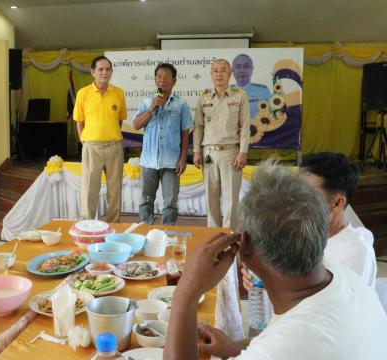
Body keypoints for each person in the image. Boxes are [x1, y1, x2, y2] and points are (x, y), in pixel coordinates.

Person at [164, 161, 387, 360]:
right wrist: (234, 347)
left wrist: (186, 293)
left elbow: (288, 346)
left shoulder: (284, 347)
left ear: (246, 246)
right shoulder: (344, 279)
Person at [300, 152, 377, 287]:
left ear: (336, 203)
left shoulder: (355, 254)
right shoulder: (307, 233)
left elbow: (339, 307)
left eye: (308, 196)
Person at [193, 59, 250, 230]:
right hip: (208, 153)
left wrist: (243, 152)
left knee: (230, 199)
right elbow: (198, 126)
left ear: (230, 73)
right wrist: (196, 151)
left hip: (231, 153)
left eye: (223, 70)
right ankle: (213, 235)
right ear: (211, 74)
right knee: (211, 198)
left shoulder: (239, 96)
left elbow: (245, 125)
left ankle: (230, 236)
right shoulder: (203, 98)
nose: (219, 74)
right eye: (215, 71)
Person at [133, 63, 193, 225]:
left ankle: (167, 233)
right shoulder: (146, 103)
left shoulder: (181, 105)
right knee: (146, 201)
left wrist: (183, 159)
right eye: (159, 77)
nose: (162, 80)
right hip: (148, 162)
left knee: (170, 203)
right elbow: (137, 125)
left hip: (172, 162)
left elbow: (185, 133)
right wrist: (152, 108)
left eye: (167, 77)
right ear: (155, 81)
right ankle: (145, 230)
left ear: (174, 81)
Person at [73, 55, 127, 223]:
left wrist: (109, 136)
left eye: (108, 69)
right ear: (92, 72)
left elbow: (119, 120)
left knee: (115, 187)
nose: (104, 72)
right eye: (101, 69)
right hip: (91, 146)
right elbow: (79, 122)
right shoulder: (83, 93)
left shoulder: (118, 92)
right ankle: (87, 224)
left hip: (115, 146)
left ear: (111, 72)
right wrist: (86, 141)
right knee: (90, 187)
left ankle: (114, 224)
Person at [231, 54, 271, 118]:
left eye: (246, 66)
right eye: (238, 67)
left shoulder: (263, 92)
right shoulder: (225, 92)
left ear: (252, 69)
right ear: (232, 70)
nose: (242, 71)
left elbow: (271, 116)